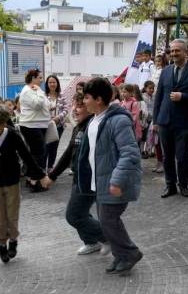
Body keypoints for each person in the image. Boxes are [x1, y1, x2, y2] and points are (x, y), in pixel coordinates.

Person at [78, 77, 143, 275]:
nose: (84, 102)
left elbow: (130, 153)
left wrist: (117, 180)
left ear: (98, 99)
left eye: (87, 97)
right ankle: (120, 254)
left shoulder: (118, 120)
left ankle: (130, 253)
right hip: (100, 181)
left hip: (114, 181)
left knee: (108, 220)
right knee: (107, 221)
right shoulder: (94, 120)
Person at [0, 105, 51, 263]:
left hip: (12, 182)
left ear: (4, 124)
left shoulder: (12, 135)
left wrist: (41, 175)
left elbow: (27, 156)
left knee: (12, 215)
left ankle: (13, 241)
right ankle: (2, 244)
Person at [46, 93, 110, 255]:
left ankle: (109, 238)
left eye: (80, 106)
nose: (75, 110)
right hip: (78, 177)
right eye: (75, 105)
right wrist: (52, 176)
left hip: (89, 179)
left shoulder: (93, 126)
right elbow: (68, 153)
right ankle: (91, 241)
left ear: (90, 108)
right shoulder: (79, 127)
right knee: (81, 212)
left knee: (73, 215)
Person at [153, 39, 188, 198]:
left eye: (177, 50)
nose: (174, 53)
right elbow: (159, 97)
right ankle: (170, 186)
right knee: (167, 157)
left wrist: (183, 96)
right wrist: (156, 120)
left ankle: (183, 185)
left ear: (186, 52)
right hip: (165, 121)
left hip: (184, 122)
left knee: (182, 156)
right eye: (172, 51)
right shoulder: (166, 71)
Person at [18, 69, 50, 190]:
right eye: (39, 77)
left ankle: (31, 178)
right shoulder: (27, 91)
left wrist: (40, 92)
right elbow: (38, 105)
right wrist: (41, 93)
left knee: (36, 153)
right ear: (32, 78)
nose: (41, 80)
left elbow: (48, 105)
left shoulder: (35, 90)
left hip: (38, 124)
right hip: (31, 125)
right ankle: (35, 181)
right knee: (39, 154)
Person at [45, 74, 67, 172]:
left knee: (54, 147)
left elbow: (66, 109)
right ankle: (42, 167)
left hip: (58, 126)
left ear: (57, 83)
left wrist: (58, 117)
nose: (52, 84)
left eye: (54, 82)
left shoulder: (62, 96)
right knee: (45, 147)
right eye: (50, 82)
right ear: (47, 84)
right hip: (46, 125)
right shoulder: (43, 96)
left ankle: (50, 167)